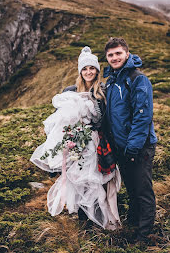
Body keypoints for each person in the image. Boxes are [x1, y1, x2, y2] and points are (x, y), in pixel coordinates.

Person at [30, 46, 121, 230]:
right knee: (77, 181)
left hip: (98, 143)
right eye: (85, 69)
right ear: (80, 71)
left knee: (97, 181)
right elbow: (60, 120)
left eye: (92, 68)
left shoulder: (103, 91)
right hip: (76, 144)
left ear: (97, 70)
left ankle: (101, 217)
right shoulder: (69, 91)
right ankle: (83, 219)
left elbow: (108, 118)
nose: (89, 72)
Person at [103, 37, 158, 243]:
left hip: (139, 146)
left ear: (127, 53)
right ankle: (135, 223)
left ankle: (144, 234)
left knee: (143, 189)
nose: (115, 57)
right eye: (111, 55)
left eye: (118, 53)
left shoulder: (137, 79)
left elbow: (142, 115)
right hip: (122, 147)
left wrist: (133, 147)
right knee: (132, 188)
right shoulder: (113, 80)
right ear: (107, 58)